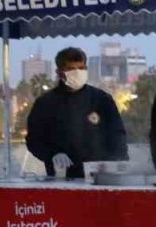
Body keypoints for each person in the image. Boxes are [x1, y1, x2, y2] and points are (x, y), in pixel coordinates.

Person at [26, 47, 127, 179]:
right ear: (59, 72)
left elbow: (117, 135)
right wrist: (51, 154)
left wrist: (119, 163)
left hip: (100, 177)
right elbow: (34, 140)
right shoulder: (45, 103)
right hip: (61, 178)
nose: (77, 72)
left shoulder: (102, 99)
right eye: (71, 69)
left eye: (81, 68)